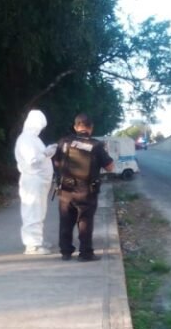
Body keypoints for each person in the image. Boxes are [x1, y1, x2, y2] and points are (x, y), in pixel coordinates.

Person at [51, 113, 114, 262]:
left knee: (66, 221)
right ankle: (85, 254)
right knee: (85, 222)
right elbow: (110, 167)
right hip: (86, 191)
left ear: (75, 127)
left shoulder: (64, 142)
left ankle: (65, 252)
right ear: (90, 128)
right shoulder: (96, 145)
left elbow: (56, 163)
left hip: (65, 189)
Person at [14, 110, 57, 255]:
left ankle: (37, 240)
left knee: (39, 212)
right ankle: (33, 245)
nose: (40, 128)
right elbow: (32, 161)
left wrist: (47, 152)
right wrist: (46, 153)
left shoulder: (33, 138)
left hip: (39, 181)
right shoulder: (26, 139)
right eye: (40, 125)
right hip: (33, 180)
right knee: (33, 211)